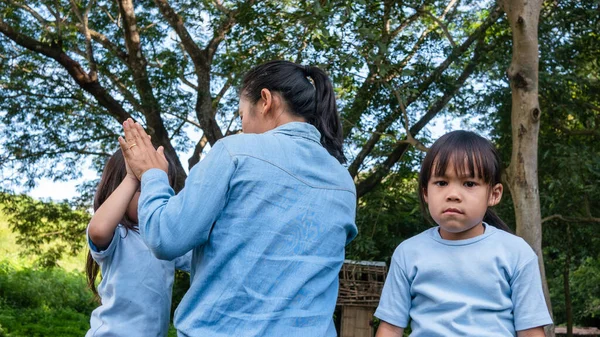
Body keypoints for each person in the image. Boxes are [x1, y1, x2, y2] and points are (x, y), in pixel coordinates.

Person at [118, 60, 358, 336]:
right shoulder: (343, 182)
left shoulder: (235, 152)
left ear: (266, 100)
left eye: (242, 114)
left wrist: (152, 175)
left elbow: (165, 237)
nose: (242, 124)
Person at [374, 130, 553, 337]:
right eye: (441, 183)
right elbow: (390, 328)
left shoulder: (516, 253)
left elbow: (530, 331)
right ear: (425, 193)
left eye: (469, 184)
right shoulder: (408, 253)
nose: (453, 195)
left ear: (494, 194)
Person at [85, 149, 191, 337]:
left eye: (164, 188)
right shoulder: (118, 233)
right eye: (145, 188)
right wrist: (133, 177)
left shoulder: (163, 237)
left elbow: (201, 256)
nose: (155, 196)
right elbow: (98, 230)